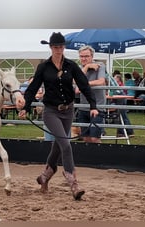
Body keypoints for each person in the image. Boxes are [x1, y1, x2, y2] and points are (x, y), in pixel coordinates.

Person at [18, 32, 98, 200]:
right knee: (65, 144)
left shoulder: (71, 65)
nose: (58, 50)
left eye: (61, 47)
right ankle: (73, 184)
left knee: (58, 146)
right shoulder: (43, 67)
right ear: (50, 47)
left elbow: (83, 84)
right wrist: (25, 106)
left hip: (68, 110)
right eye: (55, 47)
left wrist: (93, 105)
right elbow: (33, 89)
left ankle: (44, 177)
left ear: (64, 47)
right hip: (51, 111)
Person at [76, 45, 106, 143]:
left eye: (86, 56)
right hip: (83, 107)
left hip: (97, 107)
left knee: (95, 138)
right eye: (81, 56)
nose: (83, 58)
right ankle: (89, 158)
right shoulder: (78, 68)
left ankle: (100, 157)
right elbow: (76, 81)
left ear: (92, 56)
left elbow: (101, 81)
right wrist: (87, 67)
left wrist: (83, 85)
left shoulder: (100, 65)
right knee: (85, 138)